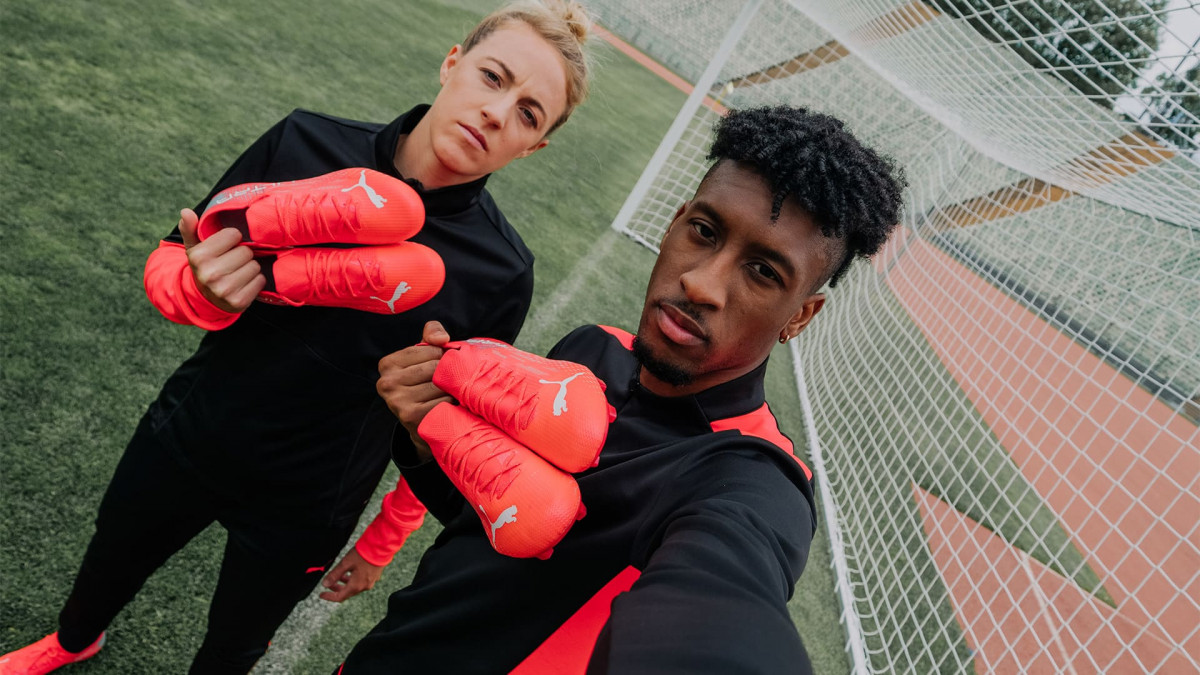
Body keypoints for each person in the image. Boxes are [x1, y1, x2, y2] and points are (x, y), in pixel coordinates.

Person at [0, 2, 592, 673]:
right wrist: (200, 289)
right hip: (195, 428)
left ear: (533, 147)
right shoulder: (306, 143)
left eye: (528, 114)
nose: (496, 112)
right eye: (493, 77)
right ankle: (73, 641)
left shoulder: (501, 270)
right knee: (112, 555)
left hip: (313, 499)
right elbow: (172, 255)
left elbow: (454, 429)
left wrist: (379, 543)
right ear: (452, 63)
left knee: (235, 646)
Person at [338, 105, 905, 674]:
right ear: (674, 223)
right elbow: (493, 520)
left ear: (800, 315)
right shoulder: (592, 348)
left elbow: (725, 601)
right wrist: (428, 435)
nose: (701, 283)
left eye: (763, 272)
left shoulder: (753, 478)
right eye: (704, 232)